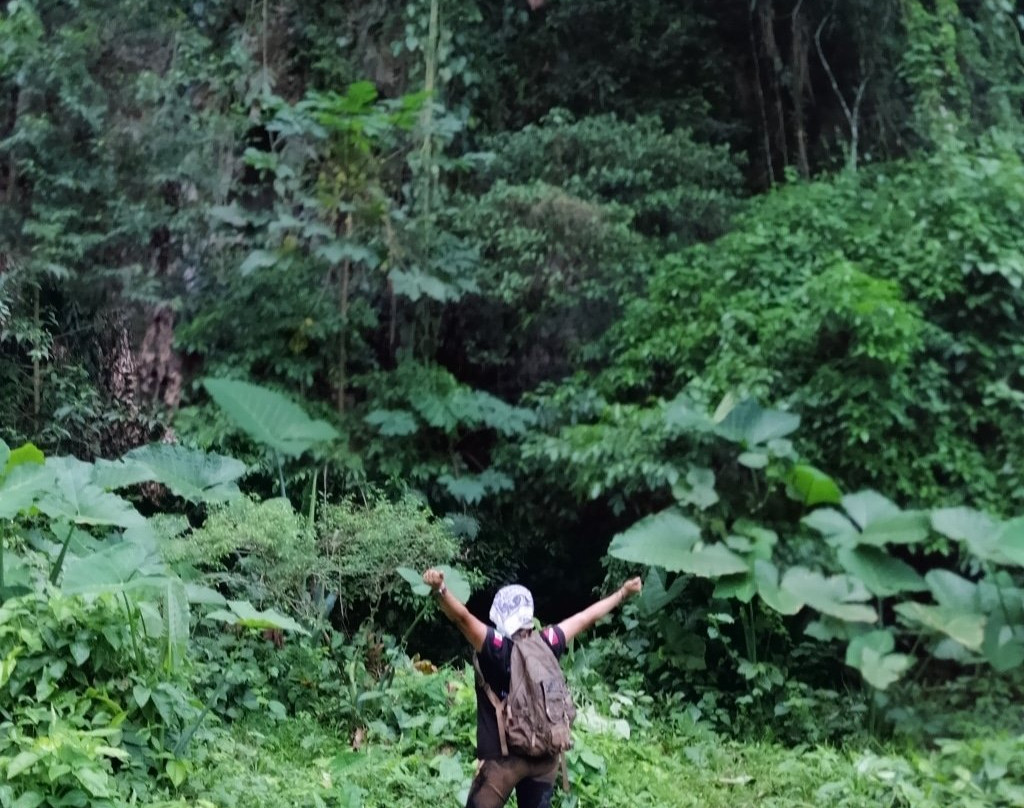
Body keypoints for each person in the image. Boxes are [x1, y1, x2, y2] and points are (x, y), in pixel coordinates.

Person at [421, 568, 643, 808]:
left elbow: (462, 618)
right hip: (545, 757)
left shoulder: (495, 648)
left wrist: (440, 590)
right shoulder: (548, 641)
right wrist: (622, 593)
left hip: (503, 760)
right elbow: (585, 617)